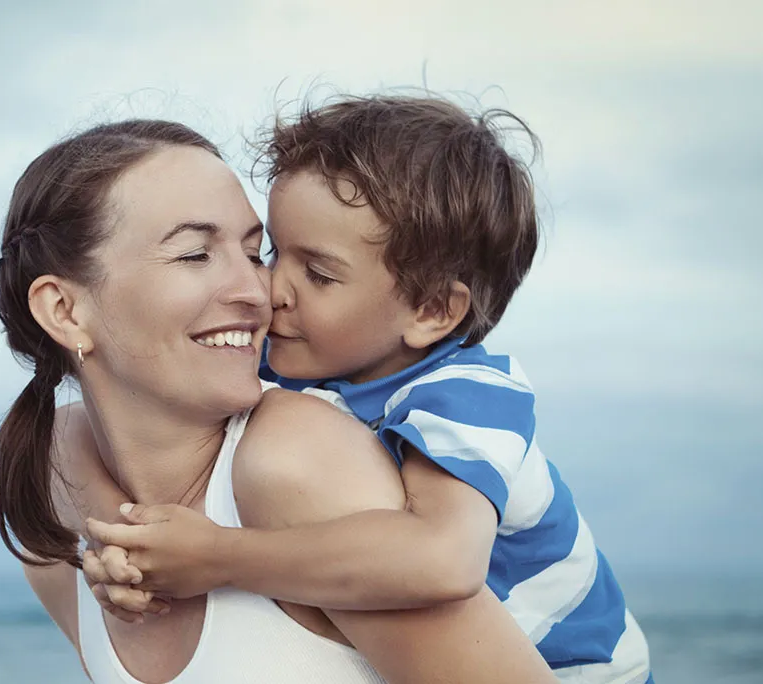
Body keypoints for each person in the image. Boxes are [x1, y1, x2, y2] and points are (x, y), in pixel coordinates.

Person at [72, 96, 652, 682]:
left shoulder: (468, 394)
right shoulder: (305, 365)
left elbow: (442, 561)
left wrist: (215, 557)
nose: (270, 289)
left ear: (432, 310)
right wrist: (131, 557)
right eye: (274, 253)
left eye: (319, 274)